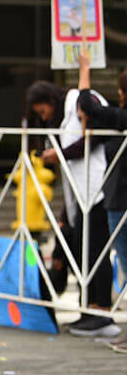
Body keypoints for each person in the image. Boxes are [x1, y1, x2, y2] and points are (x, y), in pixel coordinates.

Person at [26, 74, 117, 337]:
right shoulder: (66, 116)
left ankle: (102, 313)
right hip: (83, 195)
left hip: (100, 189)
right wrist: (67, 214)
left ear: (50, 100)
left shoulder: (81, 102)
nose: (44, 118)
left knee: (96, 252)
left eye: (43, 111)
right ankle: (89, 309)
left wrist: (61, 154)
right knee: (82, 250)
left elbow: (93, 139)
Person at [63, 51, 125, 345]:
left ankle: (101, 312)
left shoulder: (122, 118)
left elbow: (87, 105)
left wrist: (85, 69)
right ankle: (94, 310)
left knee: (114, 256)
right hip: (112, 196)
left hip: (117, 198)